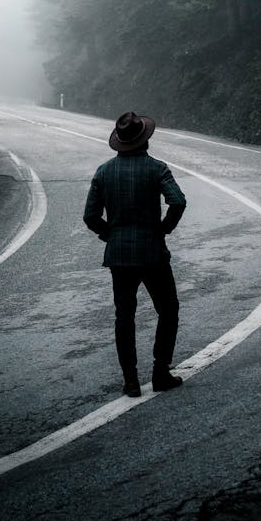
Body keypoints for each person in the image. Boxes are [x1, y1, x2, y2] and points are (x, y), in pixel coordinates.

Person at [84, 110, 186, 397]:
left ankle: (130, 381)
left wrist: (110, 235)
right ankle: (160, 371)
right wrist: (163, 229)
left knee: (124, 316)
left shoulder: (104, 172)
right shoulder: (157, 168)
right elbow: (177, 201)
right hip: (152, 253)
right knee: (168, 309)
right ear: (145, 140)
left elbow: (90, 216)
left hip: (119, 256)